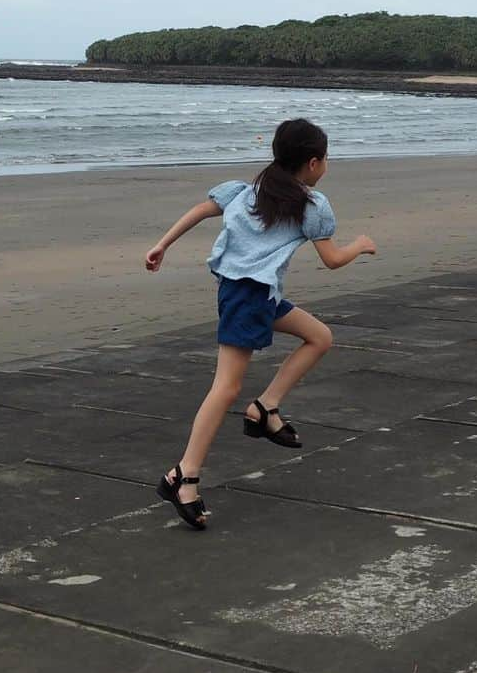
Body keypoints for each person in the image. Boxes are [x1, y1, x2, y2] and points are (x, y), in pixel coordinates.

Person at [144, 118, 377, 529]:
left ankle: (264, 407)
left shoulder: (247, 190)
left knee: (319, 337)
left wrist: (162, 244)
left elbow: (200, 211)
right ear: (311, 162)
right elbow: (333, 260)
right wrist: (360, 245)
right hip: (248, 297)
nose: (326, 166)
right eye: (325, 159)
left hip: (253, 294)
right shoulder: (311, 205)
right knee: (225, 387)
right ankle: (184, 475)